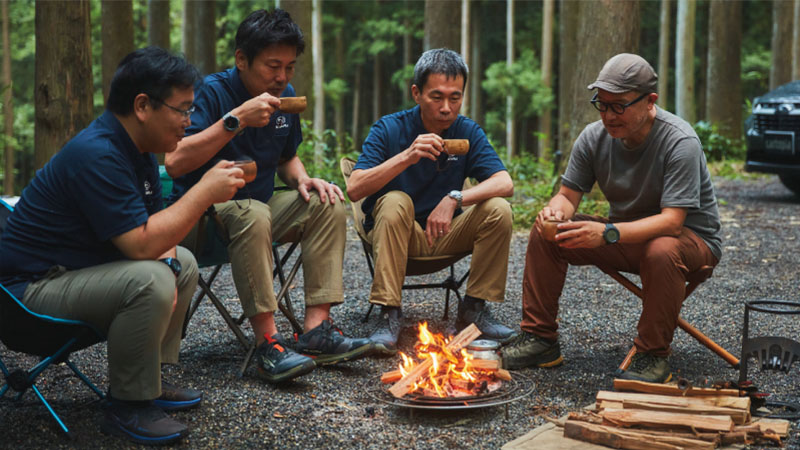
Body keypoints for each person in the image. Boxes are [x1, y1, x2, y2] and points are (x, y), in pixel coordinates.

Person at [0, 47, 243, 444]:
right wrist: (202, 192)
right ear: (143, 105)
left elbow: (152, 235)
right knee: (150, 278)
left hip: (71, 277)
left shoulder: (138, 150)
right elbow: (141, 245)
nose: (189, 122)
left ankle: (150, 380)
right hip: (27, 299)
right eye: (182, 110)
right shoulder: (97, 153)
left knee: (181, 262)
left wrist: (164, 247)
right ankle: (128, 405)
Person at [165, 9, 371, 382]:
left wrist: (304, 180)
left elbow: (286, 156)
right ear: (241, 59)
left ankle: (316, 330)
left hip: (260, 207)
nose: (281, 78)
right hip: (204, 215)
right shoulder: (210, 93)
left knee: (326, 203)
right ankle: (268, 344)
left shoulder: (284, 96)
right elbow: (175, 161)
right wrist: (236, 119)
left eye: (290, 67)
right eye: (273, 66)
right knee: (252, 213)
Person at [503, 54, 722, 383]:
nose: (608, 115)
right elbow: (567, 196)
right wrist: (555, 212)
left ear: (650, 102)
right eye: (601, 104)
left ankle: (652, 355)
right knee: (547, 232)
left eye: (618, 106)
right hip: (627, 238)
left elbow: (672, 222)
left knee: (661, 249)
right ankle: (540, 338)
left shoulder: (680, 141)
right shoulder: (593, 138)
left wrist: (606, 233)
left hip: (689, 243)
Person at [347, 49, 516, 355]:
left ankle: (473, 310)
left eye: (455, 97)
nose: (446, 108)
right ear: (416, 93)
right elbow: (355, 189)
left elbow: (504, 183)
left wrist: (455, 198)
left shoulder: (466, 130)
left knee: (499, 209)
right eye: (436, 97)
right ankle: (388, 313)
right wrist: (406, 156)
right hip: (399, 236)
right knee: (395, 200)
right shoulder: (389, 128)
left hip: (445, 233)